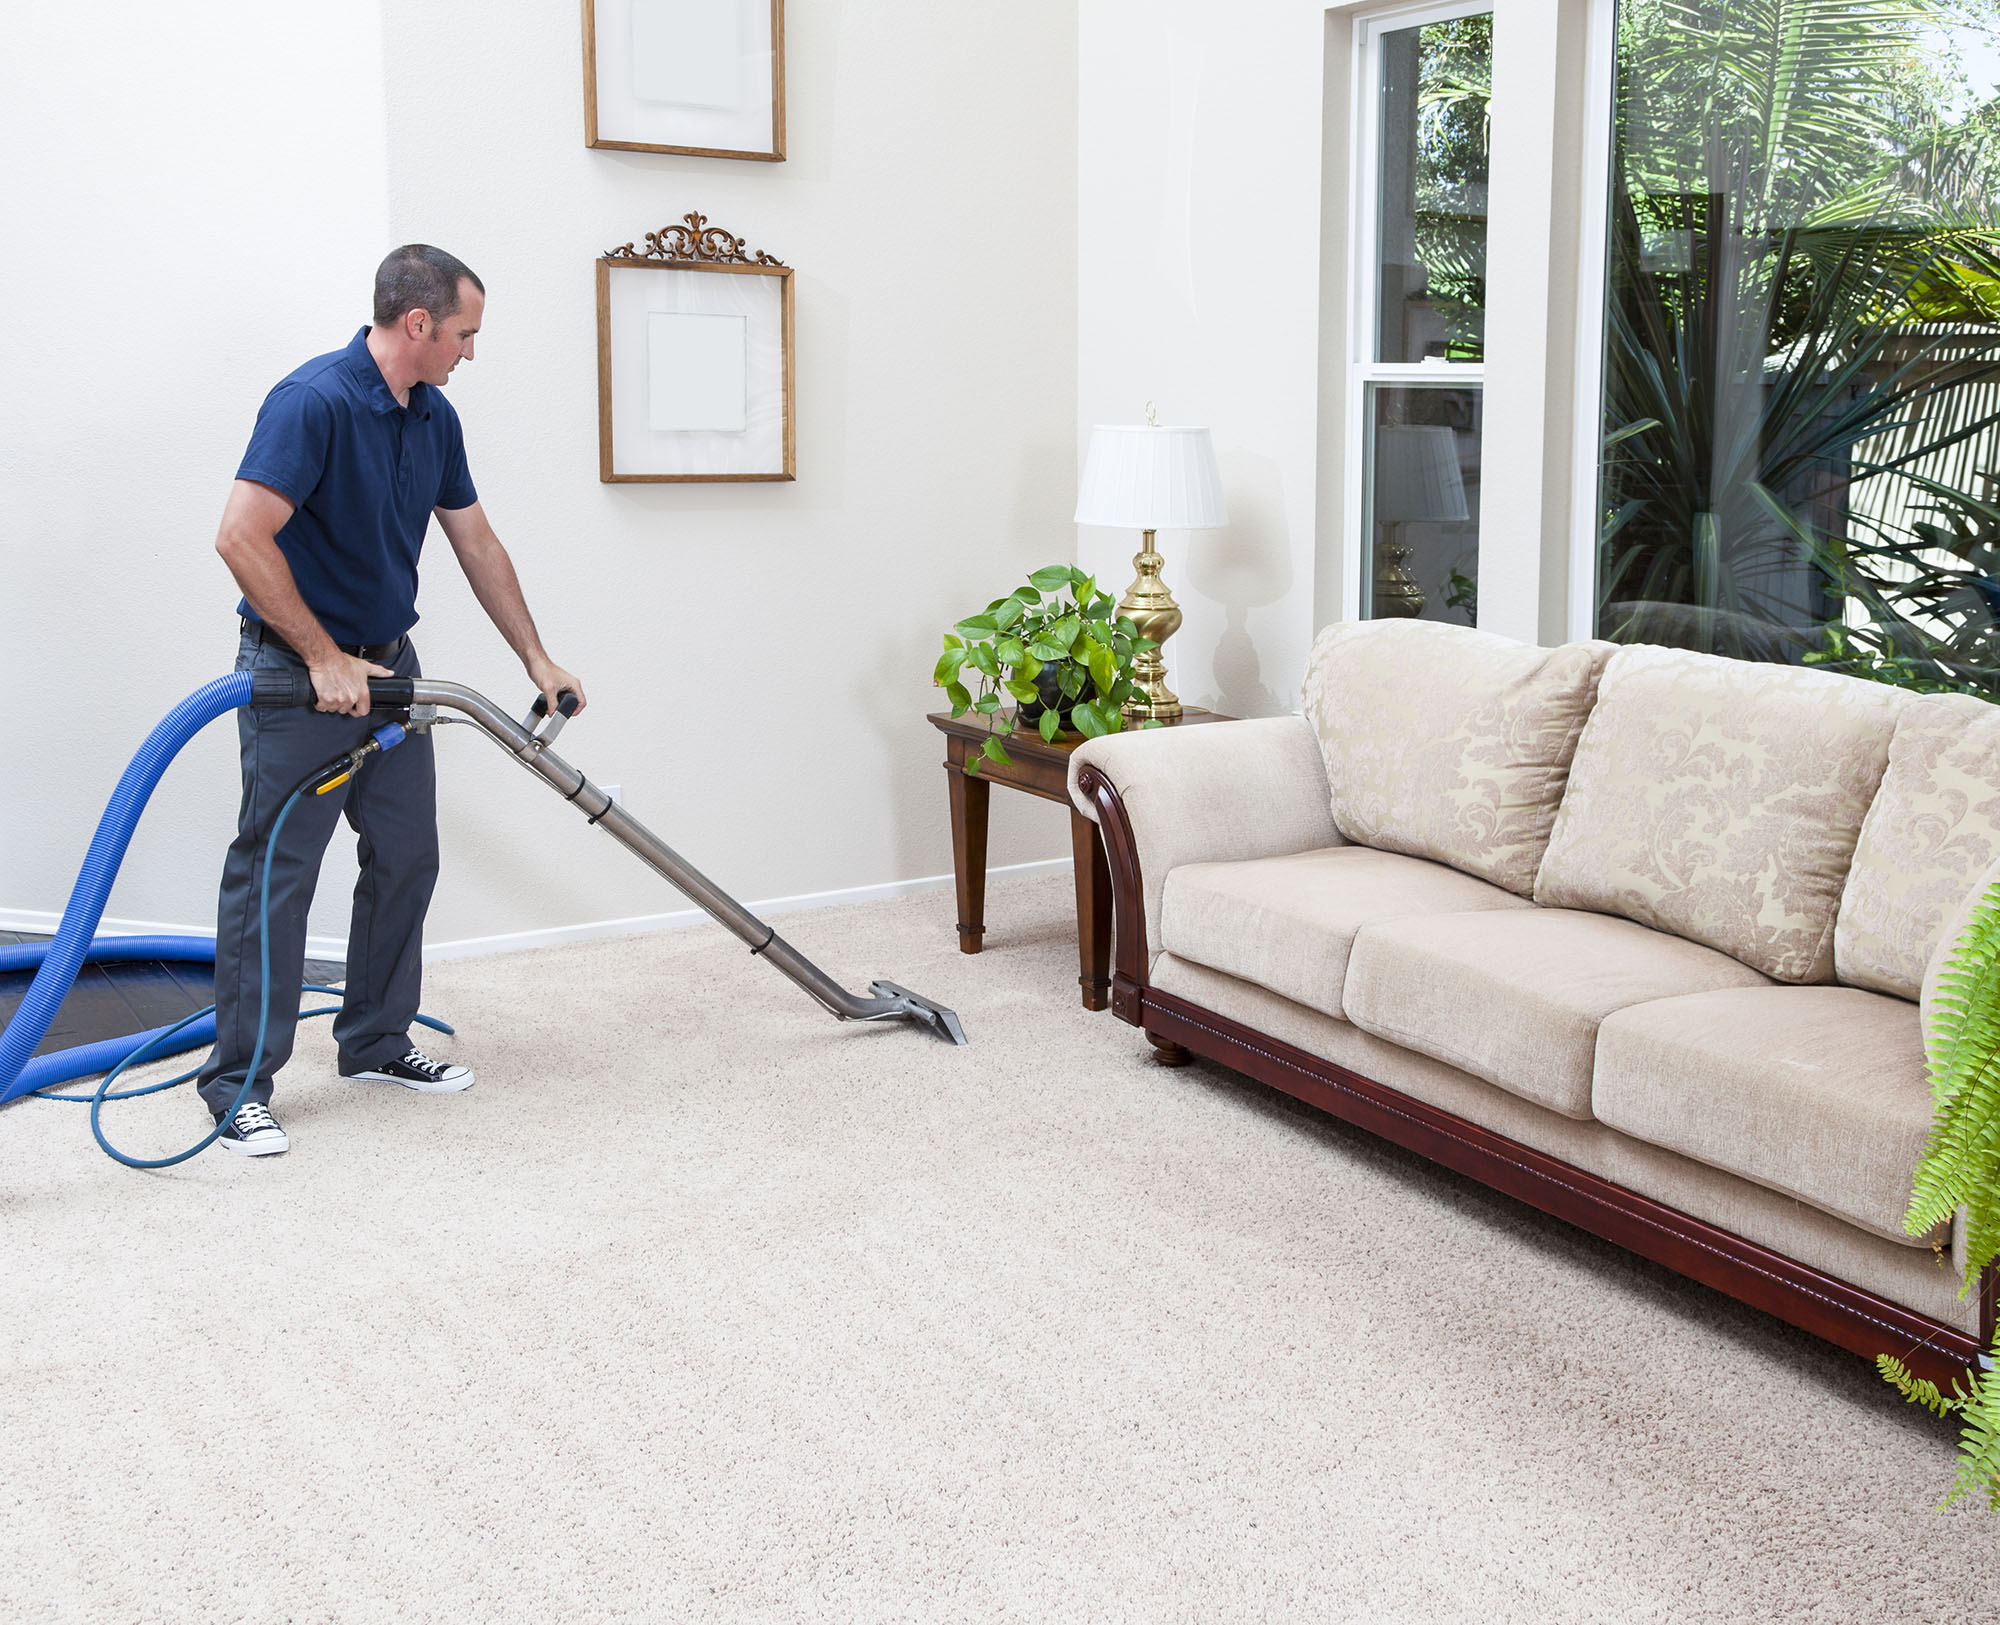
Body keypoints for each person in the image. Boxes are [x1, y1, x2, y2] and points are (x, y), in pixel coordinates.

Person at [197, 243, 584, 1156]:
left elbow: (476, 542)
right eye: (464, 334)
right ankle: (237, 1084)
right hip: (302, 680)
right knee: (277, 876)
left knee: (407, 854)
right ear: (418, 324)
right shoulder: (313, 402)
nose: (469, 352)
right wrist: (323, 656)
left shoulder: (433, 417)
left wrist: (536, 657)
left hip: (392, 673)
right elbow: (240, 537)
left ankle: (373, 1040)